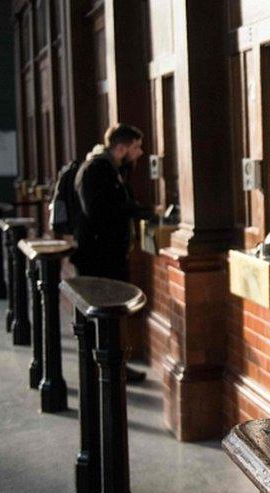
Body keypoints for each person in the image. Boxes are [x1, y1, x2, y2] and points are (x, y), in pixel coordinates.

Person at [72, 123, 152, 382]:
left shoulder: (112, 169)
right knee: (107, 315)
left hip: (108, 254)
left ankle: (114, 367)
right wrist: (130, 209)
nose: (140, 153)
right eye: (136, 147)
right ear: (120, 148)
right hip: (100, 257)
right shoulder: (97, 170)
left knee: (111, 316)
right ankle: (109, 370)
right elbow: (97, 210)